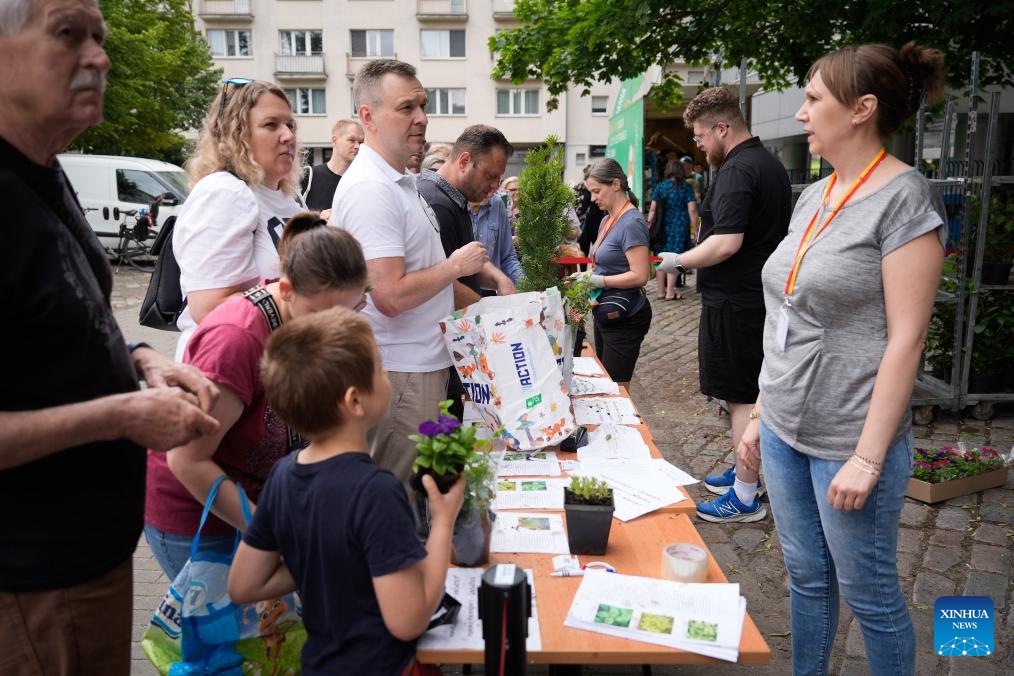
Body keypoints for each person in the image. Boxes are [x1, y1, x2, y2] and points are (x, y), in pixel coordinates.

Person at [0, 1, 219, 672]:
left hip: (87, 557)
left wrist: (141, 358)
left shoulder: (41, 170)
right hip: (34, 579)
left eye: (99, 36)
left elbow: (55, 330)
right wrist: (124, 414)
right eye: (69, 34)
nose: (98, 57)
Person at [747, 43, 946, 676]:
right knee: (806, 578)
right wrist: (760, 409)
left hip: (847, 436)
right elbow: (785, 313)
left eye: (813, 99)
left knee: (872, 596)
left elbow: (906, 340)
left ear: (862, 109)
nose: (802, 113)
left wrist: (867, 456)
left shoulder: (903, 200)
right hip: (783, 426)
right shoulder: (814, 195)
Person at [227, 307, 465, 674]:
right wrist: (444, 521)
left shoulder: (283, 476)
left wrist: (319, 559)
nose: (386, 376)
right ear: (354, 401)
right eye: (380, 369)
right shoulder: (376, 491)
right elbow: (409, 620)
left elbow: (243, 584)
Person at [145, 215, 370, 579]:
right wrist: (268, 535)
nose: (331, 328)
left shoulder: (302, 317)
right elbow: (188, 461)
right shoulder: (237, 339)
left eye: (346, 313)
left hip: (251, 501)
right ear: (286, 290)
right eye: (320, 315)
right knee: (224, 634)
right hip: (199, 515)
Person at [331, 59, 488, 493]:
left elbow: (426, 277)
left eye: (423, 105)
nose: (420, 117)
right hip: (399, 375)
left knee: (421, 500)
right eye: (406, 108)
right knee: (393, 503)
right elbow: (390, 296)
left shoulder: (401, 182)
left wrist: (494, 309)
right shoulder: (372, 189)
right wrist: (457, 265)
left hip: (421, 370)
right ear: (368, 117)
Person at [657, 86, 791, 523]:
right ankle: (743, 471)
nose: (697, 144)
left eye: (699, 135)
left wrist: (675, 259)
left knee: (740, 397)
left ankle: (746, 495)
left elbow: (727, 242)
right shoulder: (768, 163)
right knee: (747, 393)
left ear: (721, 127)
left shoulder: (736, 170)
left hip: (736, 301)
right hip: (753, 298)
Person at [173, 79, 305, 361]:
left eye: (290, 125)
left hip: (272, 363)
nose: (288, 136)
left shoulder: (284, 196)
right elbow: (209, 308)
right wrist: (316, 299)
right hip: (228, 368)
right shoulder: (225, 192)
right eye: (271, 125)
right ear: (237, 135)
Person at [418, 124, 517, 310]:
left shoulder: (454, 198)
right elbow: (444, 287)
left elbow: (467, 266)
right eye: (489, 175)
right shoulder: (437, 205)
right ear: (464, 161)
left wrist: (499, 279)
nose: (496, 186)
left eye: (499, 178)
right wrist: (495, 315)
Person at [580, 158, 652, 389]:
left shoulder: (631, 222)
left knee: (616, 389)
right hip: (608, 310)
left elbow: (641, 275)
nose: (593, 198)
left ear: (616, 184)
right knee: (608, 385)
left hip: (625, 314)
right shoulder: (607, 220)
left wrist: (599, 280)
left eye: (597, 191)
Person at [647, 158, 698, 300]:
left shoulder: (660, 187)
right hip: (679, 227)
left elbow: (652, 209)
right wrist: (697, 230)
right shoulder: (686, 188)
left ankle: (660, 292)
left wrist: (649, 226)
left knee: (659, 258)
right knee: (674, 258)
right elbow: (692, 210)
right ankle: (670, 291)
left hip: (661, 227)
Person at [300, 118, 364, 216]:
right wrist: (316, 219)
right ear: (334, 140)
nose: (357, 146)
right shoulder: (308, 176)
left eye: (360, 142)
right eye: (351, 140)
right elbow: (287, 219)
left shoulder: (362, 182)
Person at [468, 193, 524, 291]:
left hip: (492, 289)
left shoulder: (497, 203)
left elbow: (507, 257)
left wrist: (525, 285)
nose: (493, 187)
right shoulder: (452, 204)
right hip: (463, 290)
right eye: (490, 177)